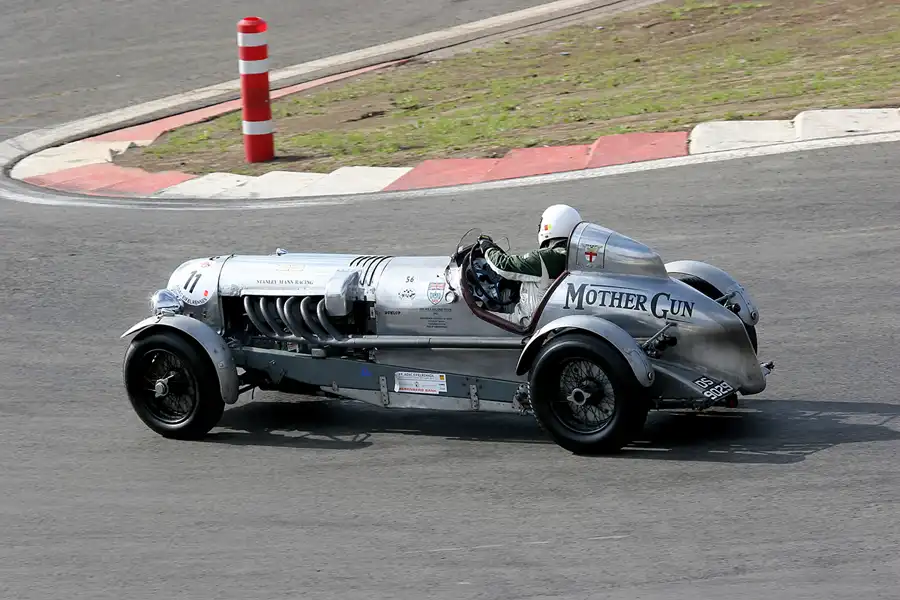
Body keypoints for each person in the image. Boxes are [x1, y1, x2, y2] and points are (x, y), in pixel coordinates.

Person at [475, 204, 582, 328]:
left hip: (525, 322)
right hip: (551, 317)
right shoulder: (575, 255)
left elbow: (503, 265)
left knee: (475, 319)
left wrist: (486, 245)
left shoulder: (546, 257)